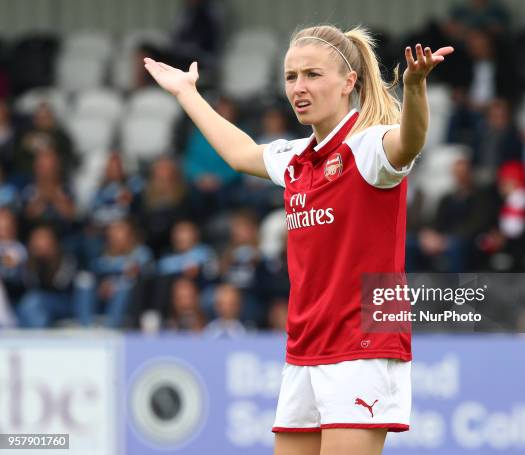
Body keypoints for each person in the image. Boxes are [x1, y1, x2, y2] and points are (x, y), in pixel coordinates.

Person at [144, 24, 452, 455]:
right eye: (291, 77)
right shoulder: (295, 159)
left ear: (349, 82)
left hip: (362, 345)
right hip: (305, 347)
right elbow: (239, 153)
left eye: (312, 75)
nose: (299, 88)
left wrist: (415, 89)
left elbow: (410, 140)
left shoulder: (368, 149)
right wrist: (186, 93)